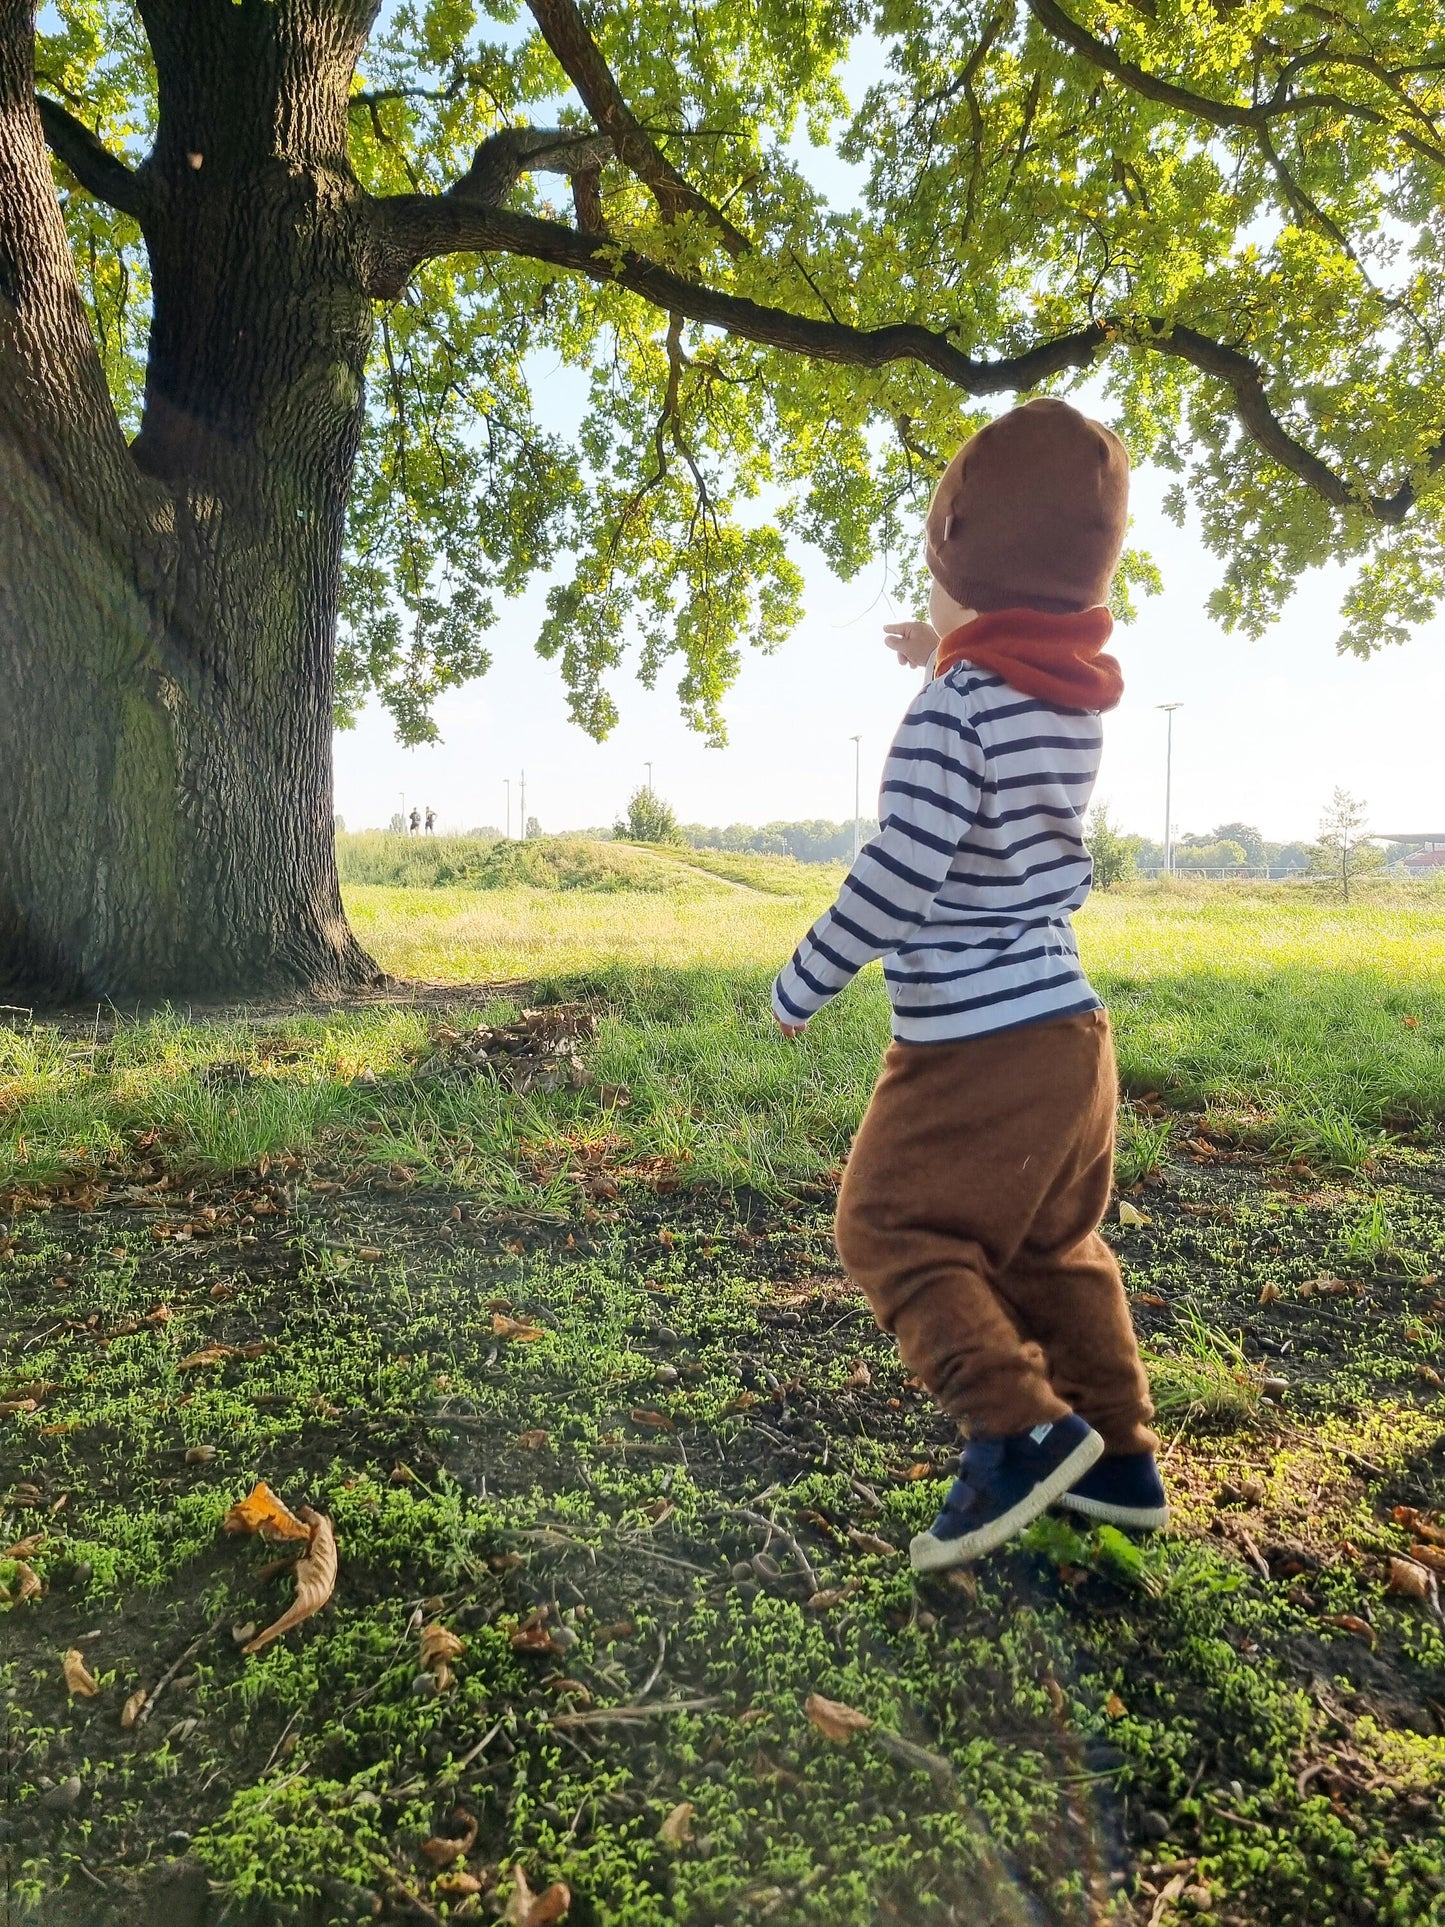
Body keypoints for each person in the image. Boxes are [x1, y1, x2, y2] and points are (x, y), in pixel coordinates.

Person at [772, 398, 1163, 1572]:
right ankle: (1121, 1459)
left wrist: (807, 974)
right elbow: (998, 666)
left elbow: (900, 867)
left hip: (974, 1048)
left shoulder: (951, 710)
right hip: (1068, 1035)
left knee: (888, 1222)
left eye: (936, 567)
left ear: (965, 556)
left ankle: (1015, 1429)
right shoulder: (1062, 695)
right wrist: (940, 643)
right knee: (1053, 1249)